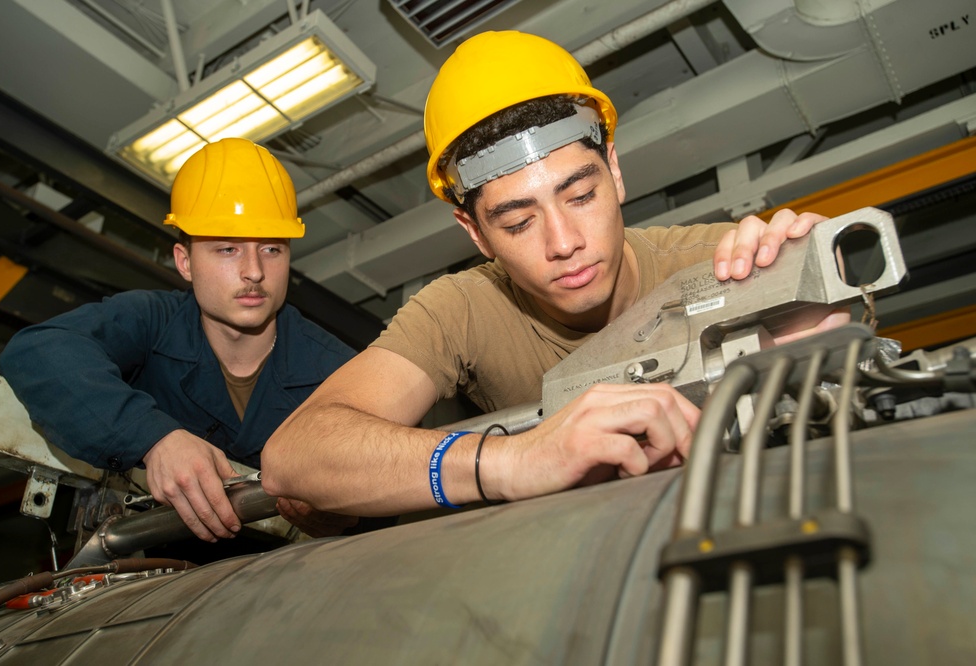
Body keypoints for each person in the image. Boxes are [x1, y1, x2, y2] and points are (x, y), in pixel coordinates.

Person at [260, 31, 848, 516]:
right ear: (475, 234)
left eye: (581, 194)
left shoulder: (718, 264)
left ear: (614, 171)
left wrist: (803, 289)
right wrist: (516, 461)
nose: (564, 243)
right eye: (517, 223)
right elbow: (295, 455)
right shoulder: (461, 309)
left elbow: (833, 352)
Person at [0, 138, 356, 542]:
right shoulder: (152, 322)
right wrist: (154, 438)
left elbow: (393, 470)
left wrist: (351, 510)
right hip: (154, 575)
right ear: (184, 262)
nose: (254, 271)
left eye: (272, 248)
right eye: (226, 249)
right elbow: (38, 352)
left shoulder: (339, 371)